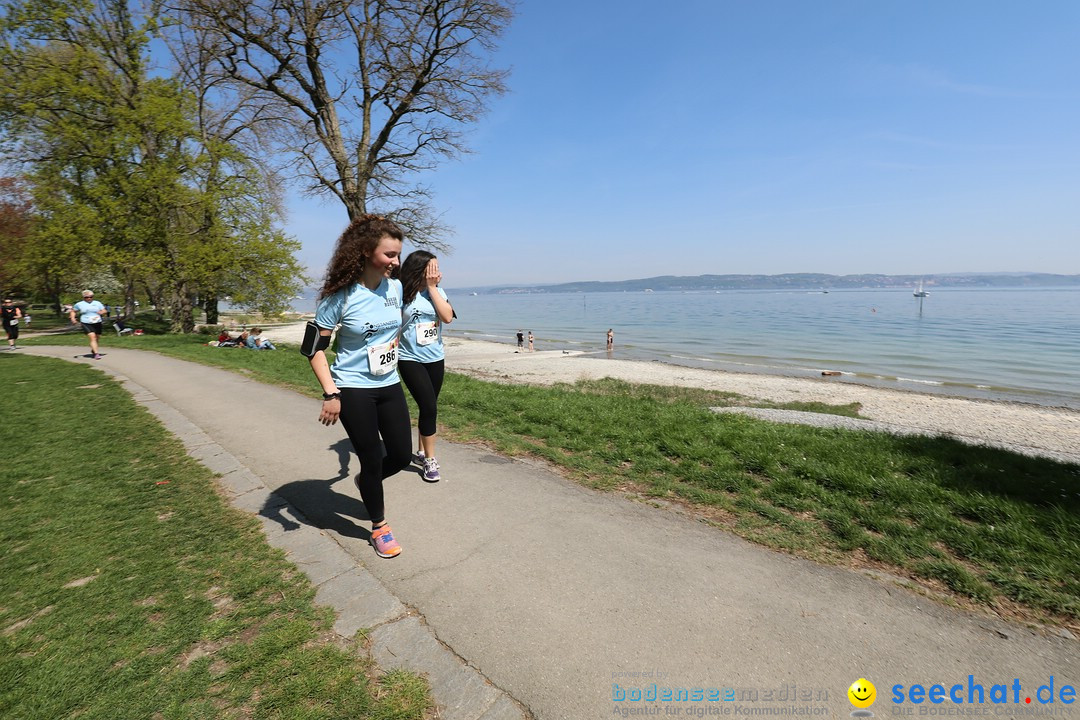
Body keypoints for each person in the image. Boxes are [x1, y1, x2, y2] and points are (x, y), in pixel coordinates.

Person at [305, 214, 411, 559]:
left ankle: (366, 482)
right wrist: (331, 393)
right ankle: (379, 527)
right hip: (352, 388)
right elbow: (313, 349)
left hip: (389, 383)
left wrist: (390, 346)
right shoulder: (341, 297)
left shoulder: (394, 288)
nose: (395, 263)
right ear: (366, 251)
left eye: (398, 255)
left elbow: (392, 328)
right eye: (389, 255)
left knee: (400, 454)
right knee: (370, 456)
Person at [397, 250, 455, 482]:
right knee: (429, 406)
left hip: (435, 357)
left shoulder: (438, 291)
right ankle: (430, 461)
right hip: (409, 357)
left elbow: (447, 317)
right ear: (419, 269)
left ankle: (421, 451)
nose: (438, 272)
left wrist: (432, 288)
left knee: (428, 406)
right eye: (433, 268)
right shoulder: (401, 292)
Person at [69, 290, 108, 359]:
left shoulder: (97, 303)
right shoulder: (79, 304)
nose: (89, 298)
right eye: (87, 297)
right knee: (92, 337)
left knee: (97, 337)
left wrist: (102, 312)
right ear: (84, 297)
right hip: (86, 322)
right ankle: (96, 354)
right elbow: (73, 311)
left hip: (97, 321)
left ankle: (93, 349)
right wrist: (73, 318)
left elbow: (104, 310)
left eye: (91, 297)